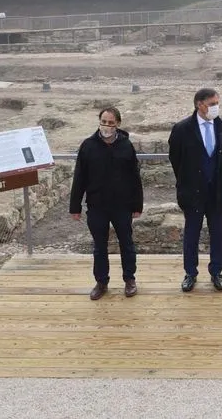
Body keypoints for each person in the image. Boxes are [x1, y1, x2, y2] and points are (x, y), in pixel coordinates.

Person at [69, 106, 143, 299]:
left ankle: (129, 279)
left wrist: (137, 205)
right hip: (97, 205)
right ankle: (101, 282)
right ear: (99, 122)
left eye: (111, 123)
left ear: (118, 124)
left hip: (122, 206)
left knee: (127, 243)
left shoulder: (126, 146)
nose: (107, 126)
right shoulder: (88, 146)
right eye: (104, 122)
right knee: (99, 246)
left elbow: (134, 178)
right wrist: (75, 207)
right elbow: (79, 177)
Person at [168, 88, 222, 292]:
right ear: (199, 104)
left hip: (216, 193)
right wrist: (187, 182)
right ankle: (190, 273)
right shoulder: (182, 129)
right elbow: (175, 159)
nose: (216, 107)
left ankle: (217, 272)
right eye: (212, 104)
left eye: (217, 103)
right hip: (192, 193)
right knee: (192, 234)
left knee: (217, 234)